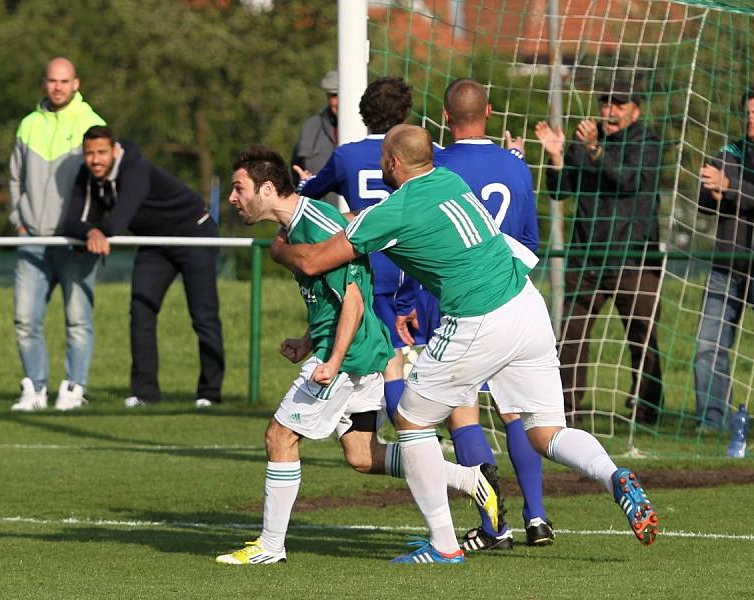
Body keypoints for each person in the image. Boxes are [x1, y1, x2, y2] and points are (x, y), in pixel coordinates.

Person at [271, 124, 660, 563]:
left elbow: (315, 259)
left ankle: (443, 545)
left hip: (479, 318)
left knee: (411, 421)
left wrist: (279, 248)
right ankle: (614, 477)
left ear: (393, 163)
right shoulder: (448, 181)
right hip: (527, 306)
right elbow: (368, 225)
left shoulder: (396, 210)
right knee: (545, 431)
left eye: (384, 157)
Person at [215, 146, 502, 565]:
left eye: (239, 188)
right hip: (359, 351)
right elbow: (335, 300)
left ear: (268, 188)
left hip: (348, 359)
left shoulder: (315, 227)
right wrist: (308, 340)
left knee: (280, 436)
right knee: (362, 455)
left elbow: (353, 301)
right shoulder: (295, 227)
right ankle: (469, 478)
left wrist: (330, 360)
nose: (233, 198)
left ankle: (270, 547)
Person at [394, 78, 552, 550]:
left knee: (461, 410)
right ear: (491, 111)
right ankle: (538, 516)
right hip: (509, 296)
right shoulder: (516, 166)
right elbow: (529, 244)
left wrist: (405, 303)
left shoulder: (435, 166)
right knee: (516, 411)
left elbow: (413, 236)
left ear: (443, 118)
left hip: (452, 301)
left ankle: (493, 525)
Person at [63, 125, 225, 409]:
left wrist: (98, 230)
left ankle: (209, 394)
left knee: (203, 314)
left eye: (101, 152)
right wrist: (91, 232)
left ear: (114, 151)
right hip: (155, 242)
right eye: (89, 154)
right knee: (141, 311)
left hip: (195, 233)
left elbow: (116, 223)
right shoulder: (87, 175)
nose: (95, 159)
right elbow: (70, 221)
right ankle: (145, 394)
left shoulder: (135, 170)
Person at [535, 79, 664, 425]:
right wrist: (557, 157)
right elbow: (560, 192)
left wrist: (593, 150)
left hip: (635, 259)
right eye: (605, 103)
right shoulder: (583, 141)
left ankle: (648, 410)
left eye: (618, 104)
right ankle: (567, 410)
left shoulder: (647, 143)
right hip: (587, 257)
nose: (609, 110)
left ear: (635, 110)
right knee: (572, 336)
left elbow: (626, 180)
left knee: (643, 336)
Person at [293, 76, 415, 434]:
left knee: (387, 360)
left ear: (363, 113)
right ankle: (433, 437)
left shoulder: (347, 155)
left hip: (366, 269)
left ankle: (407, 435)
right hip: (414, 270)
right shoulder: (423, 152)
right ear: (405, 113)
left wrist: (303, 181)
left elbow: (309, 193)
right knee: (414, 360)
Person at [9, 57, 106, 412]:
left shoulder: (92, 124)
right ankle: (34, 389)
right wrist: (19, 219)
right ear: (45, 83)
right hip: (32, 239)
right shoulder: (28, 125)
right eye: (52, 81)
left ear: (76, 83)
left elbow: (105, 183)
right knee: (25, 319)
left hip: (75, 243)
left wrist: (90, 226)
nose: (58, 87)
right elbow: (15, 179)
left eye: (64, 81)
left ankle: (73, 388)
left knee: (78, 320)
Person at [695, 87, 754, 431]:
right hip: (726, 263)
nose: (751, 119)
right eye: (748, 113)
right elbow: (703, 202)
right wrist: (712, 191)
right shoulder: (728, 151)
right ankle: (711, 421)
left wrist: (728, 186)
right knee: (708, 345)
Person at [291, 70, 339, 206]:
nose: (338, 101)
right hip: (320, 219)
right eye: (334, 95)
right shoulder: (311, 128)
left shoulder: (369, 129)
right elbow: (295, 175)